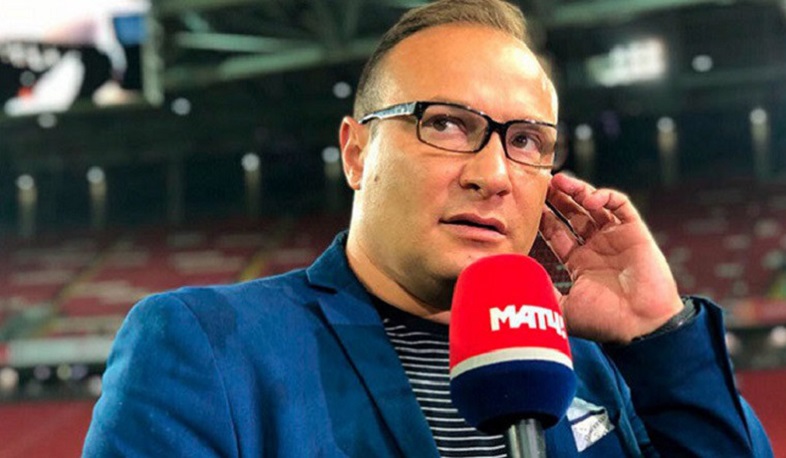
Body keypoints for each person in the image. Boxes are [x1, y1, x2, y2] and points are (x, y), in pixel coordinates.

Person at [83, 0, 773, 456]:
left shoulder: (595, 365)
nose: (493, 174)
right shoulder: (206, 343)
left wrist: (659, 335)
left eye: (526, 140)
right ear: (357, 152)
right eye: (445, 124)